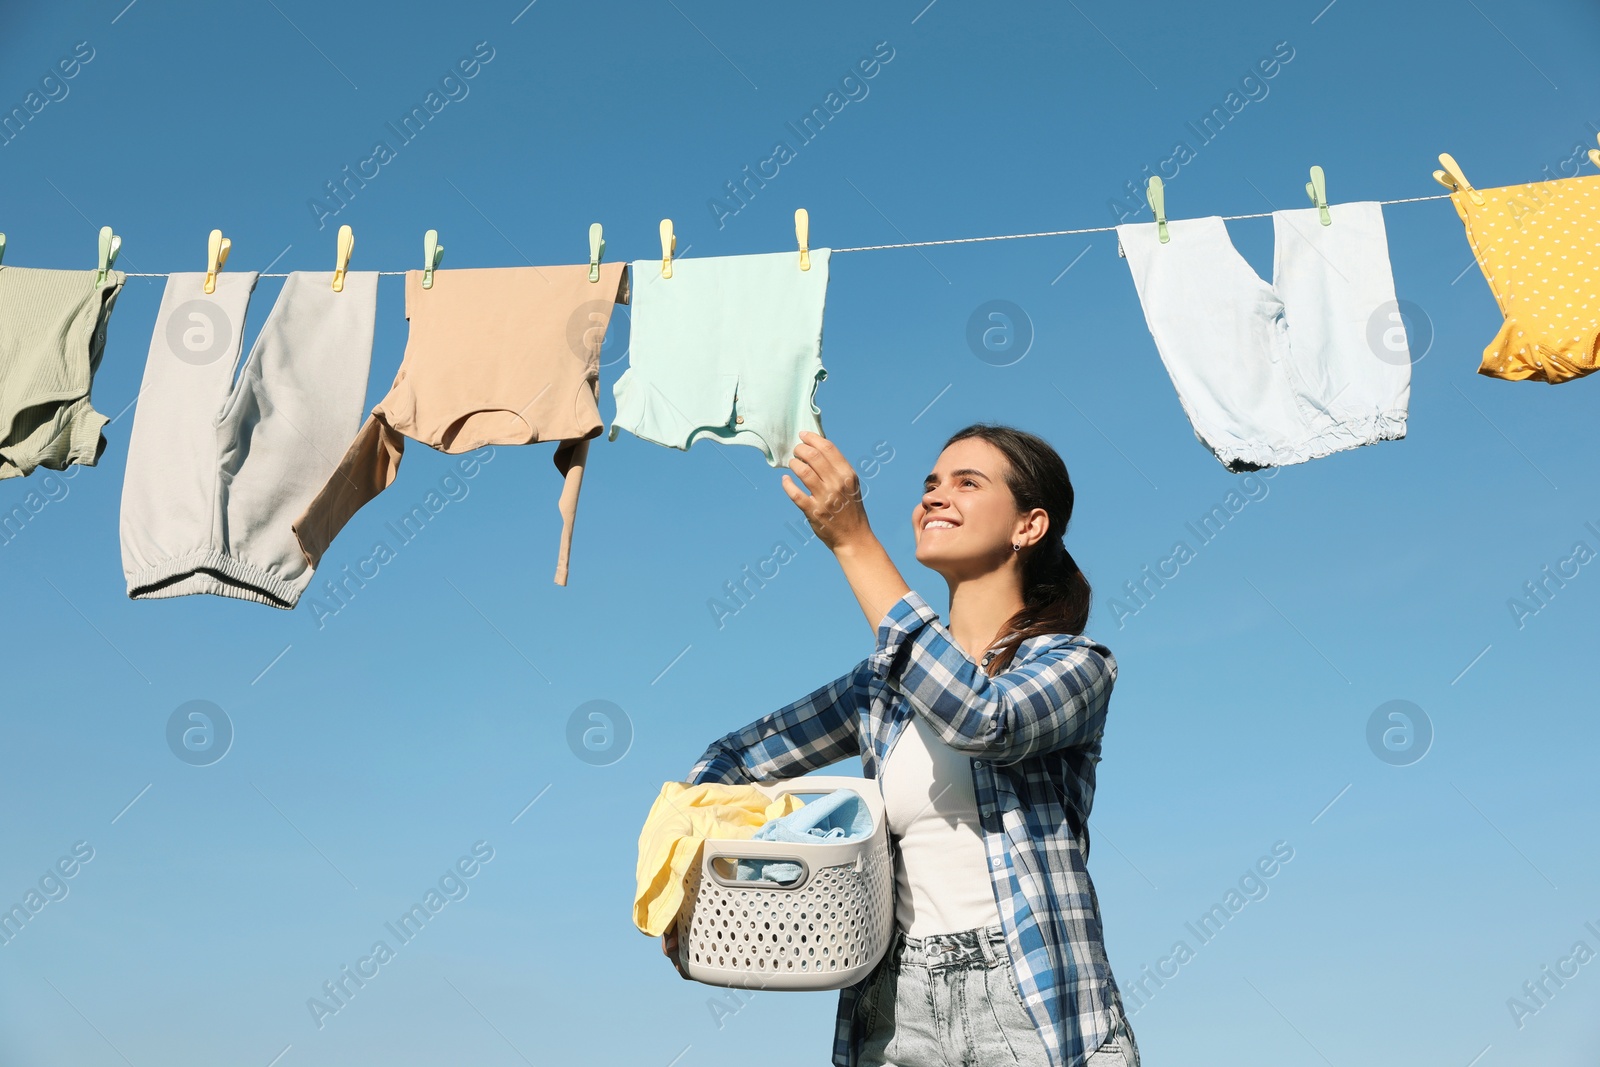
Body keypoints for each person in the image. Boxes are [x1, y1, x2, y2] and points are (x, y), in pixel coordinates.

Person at [663, 424, 1139, 1067]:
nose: (936, 497)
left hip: (1032, 998)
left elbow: (981, 720)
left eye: (968, 483)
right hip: (895, 1004)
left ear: (1029, 526)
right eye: (930, 484)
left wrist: (856, 543)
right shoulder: (877, 690)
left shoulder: (1075, 666)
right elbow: (736, 759)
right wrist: (692, 873)